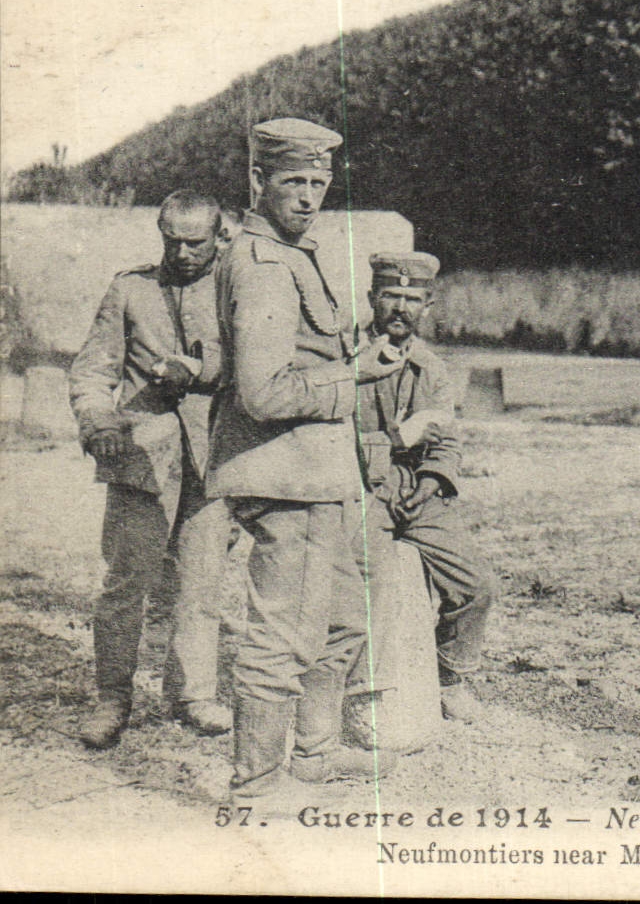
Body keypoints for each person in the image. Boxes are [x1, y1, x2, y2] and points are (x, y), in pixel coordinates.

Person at [208, 118, 405, 804]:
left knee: (344, 620)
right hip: (285, 473)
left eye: (319, 183)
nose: (308, 197)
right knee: (283, 636)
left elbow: (308, 355)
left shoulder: (292, 252)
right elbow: (263, 393)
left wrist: (356, 355)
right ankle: (257, 790)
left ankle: (314, 755)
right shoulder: (263, 263)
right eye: (293, 181)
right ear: (257, 181)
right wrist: (356, 378)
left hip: (320, 474)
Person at [68, 191, 234, 747]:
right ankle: (112, 698)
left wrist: (202, 366)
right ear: (160, 235)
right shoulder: (130, 289)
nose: (184, 253)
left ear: (220, 236)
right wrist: (100, 426)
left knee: (203, 584)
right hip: (142, 460)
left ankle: (193, 695)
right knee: (125, 584)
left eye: (197, 242)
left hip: (213, 460)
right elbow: (93, 371)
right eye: (173, 241)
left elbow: (256, 360)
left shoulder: (237, 286)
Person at [351, 251, 495, 722]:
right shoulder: (348, 358)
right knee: (361, 587)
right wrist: (388, 442)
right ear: (372, 298)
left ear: (427, 307)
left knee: (476, 585)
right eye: (391, 295)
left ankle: (450, 675)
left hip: (416, 494)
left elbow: (446, 439)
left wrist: (433, 480)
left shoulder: (431, 368)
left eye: (412, 299)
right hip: (360, 489)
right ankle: (355, 694)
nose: (400, 308)